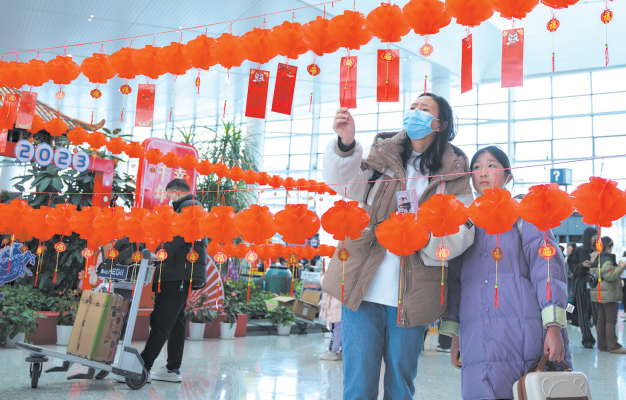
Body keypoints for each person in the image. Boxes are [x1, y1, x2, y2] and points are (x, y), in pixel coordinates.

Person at [322, 92, 475, 399]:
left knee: (400, 384)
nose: (415, 112)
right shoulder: (383, 156)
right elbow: (345, 185)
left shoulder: (454, 172)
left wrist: (424, 240)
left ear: (440, 123)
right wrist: (346, 144)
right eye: (413, 107)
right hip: (363, 287)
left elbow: (463, 230)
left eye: (425, 109)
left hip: (415, 294)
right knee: (357, 382)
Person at [440, 146, 571, 400]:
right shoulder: (465, 223)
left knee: (522, 391)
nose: (483, 172)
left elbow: (548, 272)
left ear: (508, 175)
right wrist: (455, 336)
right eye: (476, 167)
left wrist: (553, 326)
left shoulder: (525, 215)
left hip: (522, 333)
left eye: (491, 165)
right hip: (477, 336)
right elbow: (454, 282)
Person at [128, 179, 208, 383]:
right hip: (180, 271)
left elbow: (181, 234)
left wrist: (159, 253)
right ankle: (172, 369)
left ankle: (142, 368)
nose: (168, 198)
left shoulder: (190, 207)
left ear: (175, 192)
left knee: (162, 319)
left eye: (169, 194)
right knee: (175, 321)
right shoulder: (187, 207)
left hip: (178, 272)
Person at [590, 236, 626, 354]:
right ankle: (613, 346)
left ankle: (603, 345)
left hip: (601, 293)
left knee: (601, 319)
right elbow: (610, 276)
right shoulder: (607, 259)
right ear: (607, 246)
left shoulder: (597, 258)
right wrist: (621, 267)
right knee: (610, 320)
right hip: (608, 294)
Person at [568, 227, 599, 348]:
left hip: (595, 283)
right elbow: (572, 267)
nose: (596, 238)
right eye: (594, 236)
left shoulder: (598, 251)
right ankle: (587, 340)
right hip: (581, 283)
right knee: (582, 312)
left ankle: (602, 338)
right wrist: (583, 265)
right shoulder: (578, 250)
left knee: (597, 311)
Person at [318, 274, 342, 361]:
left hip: (335, 315)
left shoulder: (331, 288)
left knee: (335, 333)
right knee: (343, 333)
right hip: (343, 315)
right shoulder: (342, 283)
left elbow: (324, 281)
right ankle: (342, 351)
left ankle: (332, 352)